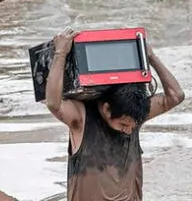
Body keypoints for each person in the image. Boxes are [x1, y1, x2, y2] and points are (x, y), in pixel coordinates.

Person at [46, 28, 186, 201]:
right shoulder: (81, 119)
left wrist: (150, 56)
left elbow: (175, 96)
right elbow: (54, 103)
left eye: (132, 126)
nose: (128, 131)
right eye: (123, 125)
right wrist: (60, 54)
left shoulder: (134, 115)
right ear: (106, 109)